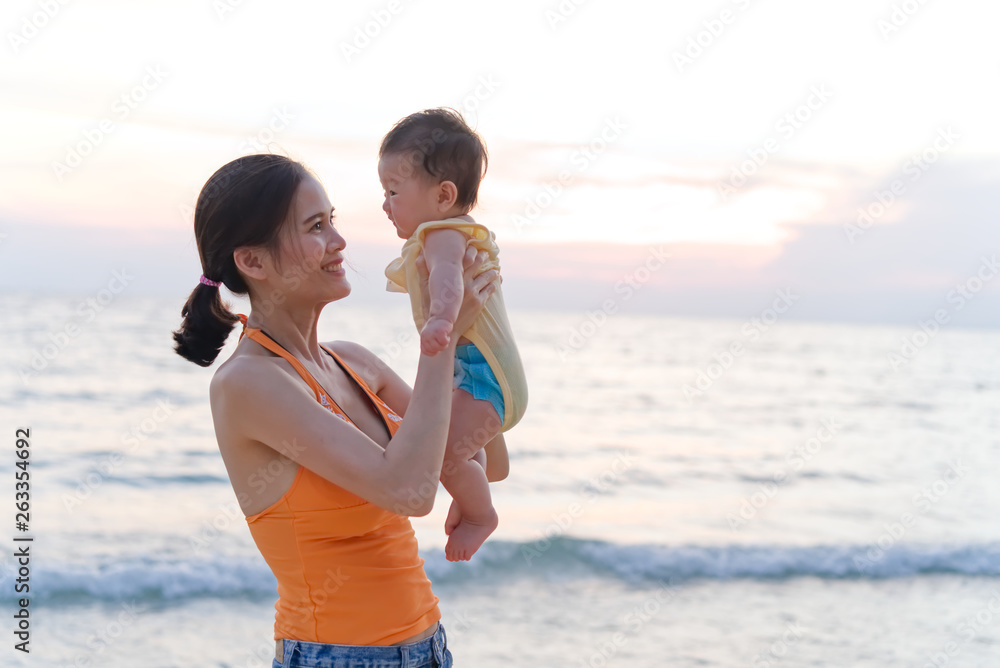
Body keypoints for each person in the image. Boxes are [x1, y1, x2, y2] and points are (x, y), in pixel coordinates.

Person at [172, 153, 502, 667]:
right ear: (253, 262)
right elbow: (410, 491)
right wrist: (440, 337)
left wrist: (470, 334)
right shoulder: (248, 383)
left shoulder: (352, 362)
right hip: (336, 654)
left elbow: (489, 460)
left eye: (333, 221)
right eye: (315, 227)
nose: (339, 241)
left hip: (429, 646)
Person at [379, 108, 528, 561]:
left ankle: (482, 515)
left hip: (487, 377)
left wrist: (442, 320)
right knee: (458, 454)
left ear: (443, 195)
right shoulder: (446, 231)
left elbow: (449, 279)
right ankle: (470, 498)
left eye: (393, 191)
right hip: (476, 375)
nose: (385, 205)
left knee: (443, 458)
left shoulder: (443, 235)